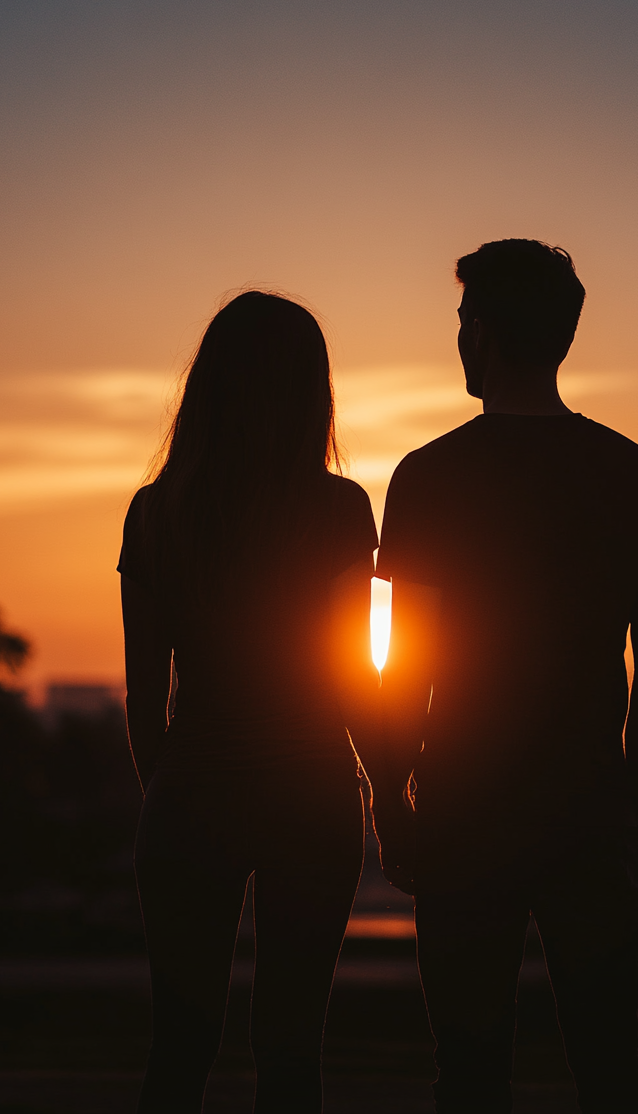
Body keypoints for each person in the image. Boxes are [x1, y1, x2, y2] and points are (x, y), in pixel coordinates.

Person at [370, 240, 638, 1114]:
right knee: (608, 1067)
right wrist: (630, 800)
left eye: (466, 319)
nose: (461, 338)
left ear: (491, 333)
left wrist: (390, 789)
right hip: (591, 807)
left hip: (465, 807)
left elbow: (410, 667)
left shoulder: (429, 476)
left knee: (469, 1074)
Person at [118, 292, 378, 1114]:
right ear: (313, 393)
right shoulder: (341, 508)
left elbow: (144, 697)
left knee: (180, 1045)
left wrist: (171, 787)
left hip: (191, 788)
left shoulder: (156, 511)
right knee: (293, 1047)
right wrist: (393, 791)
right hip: (312, 792)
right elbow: (353, 681)